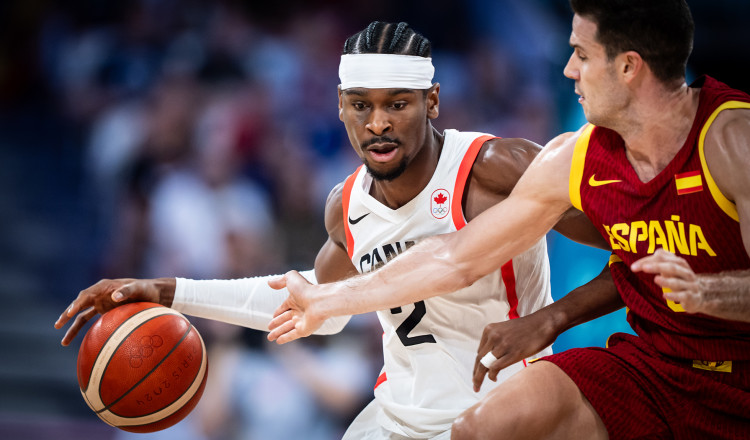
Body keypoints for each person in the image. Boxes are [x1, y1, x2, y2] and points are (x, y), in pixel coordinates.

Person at [55, 21, 615, 440]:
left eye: (397, 105)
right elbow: (311, 307)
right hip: (391, 419)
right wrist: (168, 292)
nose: (378, 123)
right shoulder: (345, 206)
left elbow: (636, 252)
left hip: (497, 417)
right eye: (360, 106)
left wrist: (550, 319)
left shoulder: (498, 167)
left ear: (433, 102)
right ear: (340, 109)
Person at [266, 2, 750, 439]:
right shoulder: (573, 158)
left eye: (581, 55)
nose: (568, 70)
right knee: (484, 427)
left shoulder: (733, 142)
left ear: (627, 67)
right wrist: (326, 298)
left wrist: (709, 293)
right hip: (651, 368)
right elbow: (454, 257)